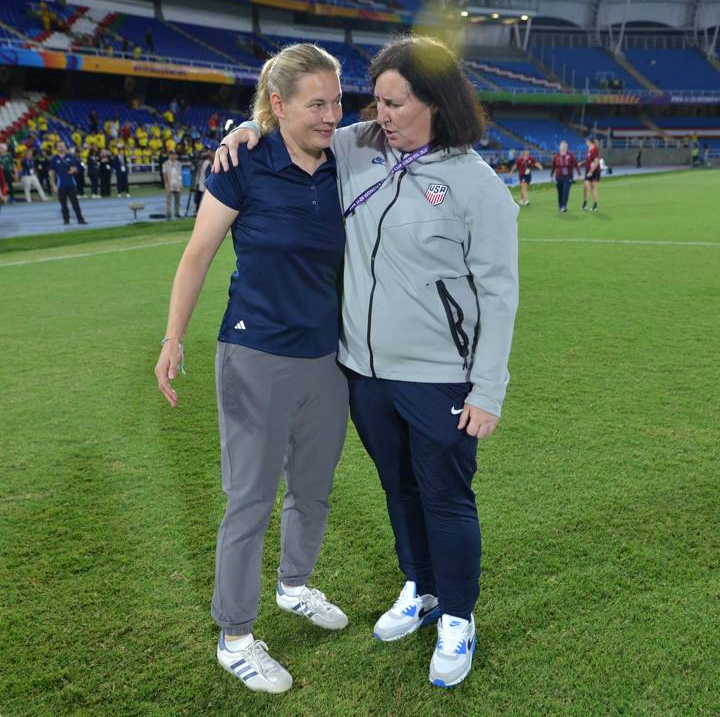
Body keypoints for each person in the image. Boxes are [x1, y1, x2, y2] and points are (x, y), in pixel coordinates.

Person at [218, 35, 519, 689]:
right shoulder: (355, 148)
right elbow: (294, 123)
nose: (375, 115)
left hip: (440, 375)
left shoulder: (478, 186)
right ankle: (421, 587)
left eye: (393, 103)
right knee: (398, 488)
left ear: (434, 104)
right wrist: (247, 125)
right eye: (374, 101)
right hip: (364, 373)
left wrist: (488, 387)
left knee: (446, 496)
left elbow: (499, 291)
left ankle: (458, 618)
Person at [154, 44, 349, 695]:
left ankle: (294, 586)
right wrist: (173, 338)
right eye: (316, 103)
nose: (331, 115)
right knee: (250, 502)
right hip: (255, 356)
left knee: (314, 490)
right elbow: (198, 254)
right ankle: (235, 637)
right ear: (278, 104)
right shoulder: (245, 163)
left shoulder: (342, 160)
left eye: (337, 101)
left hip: (328, 359)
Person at [49, 141, 87, 225]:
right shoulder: (54, 159)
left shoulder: (71, 157)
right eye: (59, 146)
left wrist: (74, 170)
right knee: (63, 204)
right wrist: (53, 185)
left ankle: (80, 219)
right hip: (60, 185)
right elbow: (52, 173)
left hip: (71, 184)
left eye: (63, 146)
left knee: (75, 203)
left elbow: (79, 168)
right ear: (56, 148)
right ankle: (66, 220)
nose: (61, 148)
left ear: (66, 147)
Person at [549, 140, 580, 213]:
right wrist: (551, 176)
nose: (563, 148)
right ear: (559, 147)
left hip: (568, 177)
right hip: (558, 176)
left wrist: (579, 174)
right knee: (560, 192)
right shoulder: (556, 156)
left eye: (565, 146)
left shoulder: (570, 155)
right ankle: (560, 206)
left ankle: (564, 206)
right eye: (562, 146)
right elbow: (553, 166)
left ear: (567, 147)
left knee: (565, 191)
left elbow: (576, 164)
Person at [162, 152, 183, 219]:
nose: (174, 156)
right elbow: (164, 174)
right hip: (170, 183)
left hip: (177, 183)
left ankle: (177, 213)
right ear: (169, 155)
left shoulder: (179, 164)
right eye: (172, 155)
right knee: (169, 200)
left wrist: (181, 183)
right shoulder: (165, 164)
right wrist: (166, 183)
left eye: (175, 154)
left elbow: (180, 174)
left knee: (177, 200)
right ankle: (168, 213)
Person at [582, 137, 601, 212]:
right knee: (585, 187)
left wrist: (591, 171)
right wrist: (581, 163)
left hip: (594, 171)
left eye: (586, 141)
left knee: (593, 187)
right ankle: (585, 204)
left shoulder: (594, 149)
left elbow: (596, 162)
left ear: (589, 141)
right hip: (588, 171)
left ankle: (595, 205)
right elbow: (588, 159)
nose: (586, 142)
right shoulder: (589, 149)